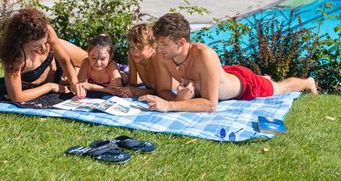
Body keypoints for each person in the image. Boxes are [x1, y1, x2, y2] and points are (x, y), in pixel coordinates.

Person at [139, 13, 317, 113]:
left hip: (245, 85)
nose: (158, 48)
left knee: (279, 87)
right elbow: (162, 90)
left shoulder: (204, 55)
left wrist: (171, 105)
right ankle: (265, 78)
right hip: (219, 73)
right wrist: (179, 100)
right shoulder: (163, 56)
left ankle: (308, 82)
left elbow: (210, 104)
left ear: (182, 43)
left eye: (163, 44)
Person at [0, 8, 86, 103]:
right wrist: (49, 86)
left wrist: (74, 82)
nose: (44, 48)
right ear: (22, 42)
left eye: (45, 42)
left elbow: (64, 59)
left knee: (94, 62)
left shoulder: (47, 30)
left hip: (57, 64)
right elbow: (16, 97)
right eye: (36, 45)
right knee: (90, 79)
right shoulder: (14, 57)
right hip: (55, 78)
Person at [113, 23, 178, 97]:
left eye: (140, 48)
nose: (135, 52)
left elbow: (160, 92)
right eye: (132, 47)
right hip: (151, 90)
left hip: (173, 92)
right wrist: (124, 90)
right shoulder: (131, 54)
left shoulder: (157, 59)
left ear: (153, 46)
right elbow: (132, 84)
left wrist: (136, 92)